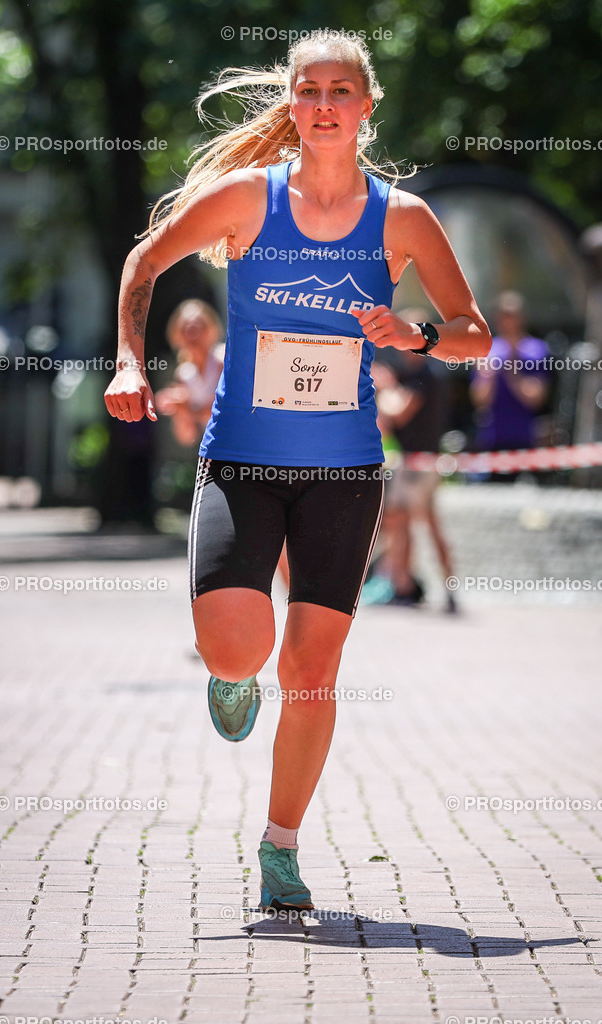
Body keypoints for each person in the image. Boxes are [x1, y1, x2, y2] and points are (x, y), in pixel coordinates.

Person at [104, 29, 490, 912]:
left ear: (364, 106)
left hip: (346, 472)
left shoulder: (401, 219)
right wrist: (131, 361)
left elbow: (474, 332)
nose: (322, 104)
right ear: (292, 105)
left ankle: (280, 847)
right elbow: (146, 258)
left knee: (311, 671)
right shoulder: (246, 198)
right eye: (307, 90)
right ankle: (228, 671)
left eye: (339, 91)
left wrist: (419, 334)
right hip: (240, 461)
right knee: (236, 643)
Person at [363, 307, 458, 611]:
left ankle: (402, 587)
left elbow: (397, 414)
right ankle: (416, 586)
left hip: (419, 464)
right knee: (421, 524)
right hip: (418, 462)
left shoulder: (423, 375)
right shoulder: (416, 373)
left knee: (400, 521)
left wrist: (384, 388)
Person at [470, 290, 550, 470]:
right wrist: (487, 376)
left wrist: (512, 370)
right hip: (492, 439)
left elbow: (536, 399)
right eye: (503, 317)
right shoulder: (486, 351)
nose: (507, 322)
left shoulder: (536, 350)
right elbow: (479, 400)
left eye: (512, 316)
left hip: (525, 439)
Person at [155, 299, 224, 448]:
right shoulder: (184, 373)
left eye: (198, 328)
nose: (192, 335)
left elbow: (223, 413)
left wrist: (188, 409)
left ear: (211, 329)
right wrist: (177, 409)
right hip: (218, 447)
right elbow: (186, 437)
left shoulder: (223, 360)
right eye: (186, 330)